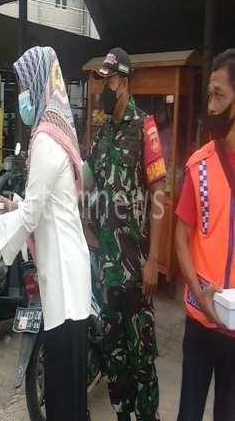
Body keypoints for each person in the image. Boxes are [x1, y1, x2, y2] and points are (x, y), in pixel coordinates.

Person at [0, 46, 91, 421]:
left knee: (62, 393)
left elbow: (33, 213)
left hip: (64, 282)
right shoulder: (60, 131)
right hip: (70, 274)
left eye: (24, 86)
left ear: (40, 84)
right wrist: (12, 209)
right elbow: (45, 203)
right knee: (70, 388)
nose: (21, 96)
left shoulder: (45, 139)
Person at [83, 48, 166, 421]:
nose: (105, 87)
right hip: (107, 274)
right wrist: (85, 225)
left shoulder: (145, 128)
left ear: (126, 82)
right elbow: (85, 183)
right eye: (101, 80)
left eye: (110, 80)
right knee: (115, 360)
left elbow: (159, 195)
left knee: (141, 359)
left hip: (136, 272)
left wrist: (154, 260)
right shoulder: (101, 134)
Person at [175, 48, 235, 421]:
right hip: (200, 321)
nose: (211, 106)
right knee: (189, 413)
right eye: (209, 95)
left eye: (219, 96)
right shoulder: (199, 165)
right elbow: (181, 237)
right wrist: (200, 294)